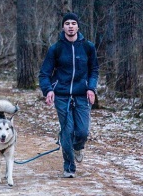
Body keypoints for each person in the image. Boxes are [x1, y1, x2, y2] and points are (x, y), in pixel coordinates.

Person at [38, 12, 99, 178]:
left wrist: (91, 88)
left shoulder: (88, 47)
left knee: (82, 132)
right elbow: (44, 74)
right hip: (62, 95)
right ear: (63, 27)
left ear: (78, 26)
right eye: (67, 23)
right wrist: (49, 90)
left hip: (81, 95)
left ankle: (78, 147)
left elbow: (94, 70)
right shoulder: (56, 49)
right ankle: (69, 167)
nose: (70, 26)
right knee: (67, 131)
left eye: (73, 23)